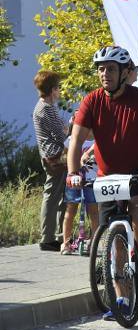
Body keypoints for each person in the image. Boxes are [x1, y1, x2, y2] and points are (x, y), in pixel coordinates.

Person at [68, 46, 138, 317]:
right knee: (115, 236)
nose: (104, 74)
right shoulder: (92, 101)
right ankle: (121, 300)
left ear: (125, 73)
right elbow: (77, 139)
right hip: (108, 178)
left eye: (110, 69)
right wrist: (73, 171)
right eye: (100, 69)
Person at [32, 70, 68, 251]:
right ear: (53, 89)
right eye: (59, 87)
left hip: (51, 155)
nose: (60, 90)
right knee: (54, 196)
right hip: (55, 157)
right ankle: (47, 238)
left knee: (59, 196)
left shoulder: (45, 106)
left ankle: (59, 235)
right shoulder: (46, 109)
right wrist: (70, 127)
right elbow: (62, 134)